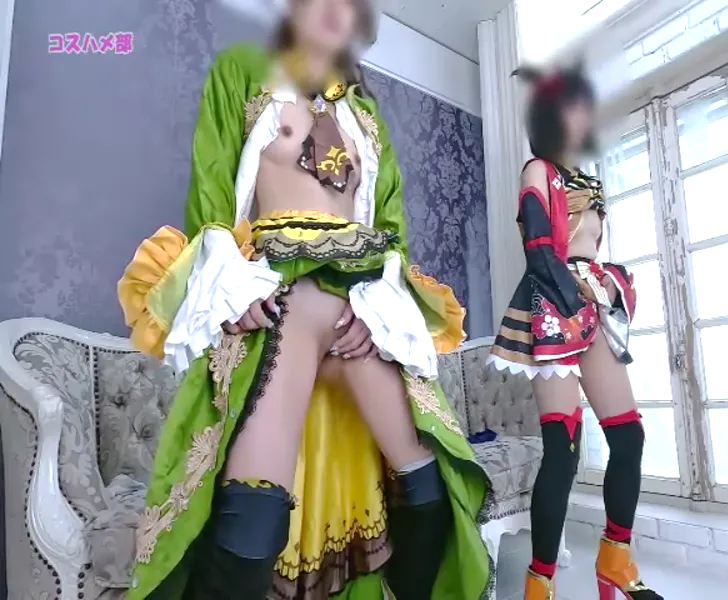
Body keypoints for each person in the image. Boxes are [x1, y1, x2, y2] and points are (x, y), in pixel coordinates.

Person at [116, 1, 493, 598]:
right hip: (277, 306)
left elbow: (389, 228)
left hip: (356, 314)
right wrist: (230, 291)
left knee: (430, 491)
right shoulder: (243, 72)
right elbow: (212, 198)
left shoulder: (364, 112)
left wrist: (378, 313)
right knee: (250, 523)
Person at [486, 64, 661, 600]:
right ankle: (540, 583)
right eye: (575, 107)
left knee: (628, 436)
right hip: (551, 304)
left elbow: (588, 251)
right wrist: (575, 290)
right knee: (562, 451)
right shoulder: (537, 170)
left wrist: (605, 284)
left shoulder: (589, 181)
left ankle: (615, 557)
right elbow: (539, 247)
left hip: (590, 304)